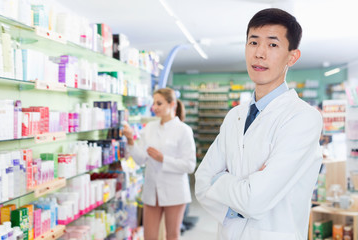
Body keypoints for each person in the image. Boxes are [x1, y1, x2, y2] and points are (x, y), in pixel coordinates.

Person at [195, 8, 323, 240]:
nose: (259, 53)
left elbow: (255, 201)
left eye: (273, 45)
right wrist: (241, 194)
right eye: (253, 42)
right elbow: (202, 182)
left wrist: (220, 180)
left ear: (292, 56)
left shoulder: (303, 118)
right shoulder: (234, 115)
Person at [123, 87, 196, 240]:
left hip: (175, 190)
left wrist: (163, 159)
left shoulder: (184, 130)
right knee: (149, 236)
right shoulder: (149, 128)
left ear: (172, 105)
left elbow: (189, 165)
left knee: (172, 235)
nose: (154, 107)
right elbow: (140, 159)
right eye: (154, 103)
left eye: (159, 103)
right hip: (152, 190)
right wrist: (130, 141)